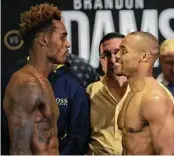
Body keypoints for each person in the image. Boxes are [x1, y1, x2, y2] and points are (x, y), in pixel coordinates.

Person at [3, 3, 71, 155]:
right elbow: (19, 151)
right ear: (43, 40)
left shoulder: (43, 81)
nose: (68, 44)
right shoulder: (27, 84)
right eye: (62, 38)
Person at [115, 31, 174, 154]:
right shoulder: (132, 93)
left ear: (144, 56)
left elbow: (168, 152)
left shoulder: (154, 98)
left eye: (124, 51)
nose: (117, 55)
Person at [86, 32, 130, 155]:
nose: (112, 59)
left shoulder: (147, 92)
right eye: (106, 54)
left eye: (118, 52)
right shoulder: (89, 93)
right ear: (100, 60)